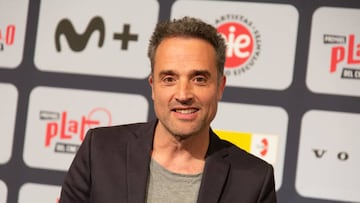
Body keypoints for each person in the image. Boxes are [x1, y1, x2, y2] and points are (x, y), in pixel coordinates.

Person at [59, 16, 277, 203]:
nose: (183, 95)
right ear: (153, 86)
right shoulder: (99, 150)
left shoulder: (253, 181)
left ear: (220, 87)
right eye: (169, 79)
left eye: (199, 79)